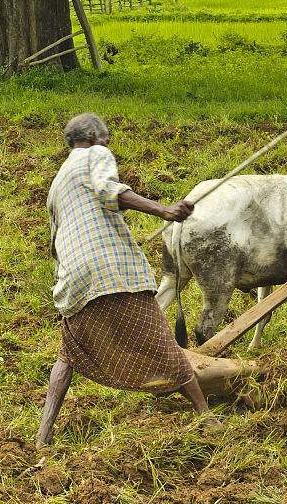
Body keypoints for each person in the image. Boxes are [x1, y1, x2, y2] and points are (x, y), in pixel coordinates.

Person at [37, 112, 213, 446]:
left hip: (74, 279)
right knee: (163, 342)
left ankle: (43, 435)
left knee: (68, 354)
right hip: (112, 271)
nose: (108, 144)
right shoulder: (95, 155)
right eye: (106, 137)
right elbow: (108, 192)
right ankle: (206, 415)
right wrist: (165, 210)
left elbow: (54, 241)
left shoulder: (57, 184)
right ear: (92, 136)